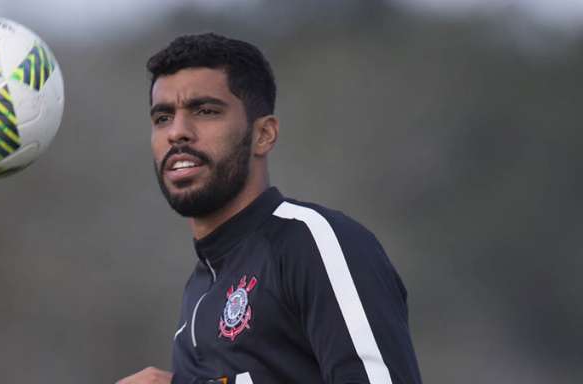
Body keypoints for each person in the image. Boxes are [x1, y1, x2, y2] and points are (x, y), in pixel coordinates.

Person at [116, 33, 422, 384]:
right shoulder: (198, 293)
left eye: (205, 111)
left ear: (264, 134)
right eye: (162, 118)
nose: (178, 132)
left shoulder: (312, 242)